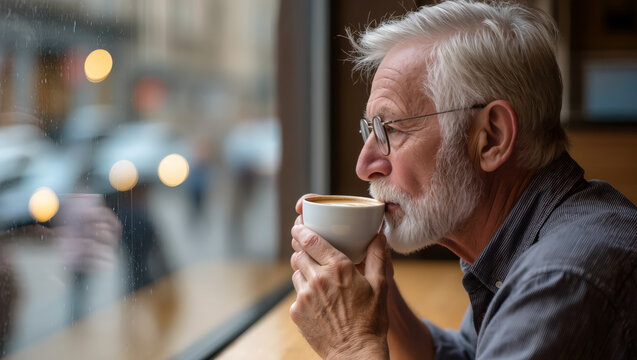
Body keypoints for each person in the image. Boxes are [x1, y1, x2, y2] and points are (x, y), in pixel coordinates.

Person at [288, 1, 637, 359]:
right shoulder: (523, 245)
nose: (365, 165)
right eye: (370, 131)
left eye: (390, 128)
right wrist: (372, 289)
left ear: (491, 138)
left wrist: (351, 344)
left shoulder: (562, 282)